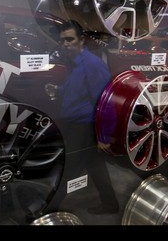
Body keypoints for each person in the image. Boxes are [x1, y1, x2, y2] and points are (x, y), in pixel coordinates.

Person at [45, 20, 119, 215]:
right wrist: (59, 89)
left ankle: (48, 210)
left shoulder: (92, 65)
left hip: (84, 127)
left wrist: (104, 136)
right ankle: (110, 204)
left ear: (81, 40)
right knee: (95, 166)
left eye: (70, 39)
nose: (65, 44)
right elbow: (76, 91)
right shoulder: (75, 63)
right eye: (62, 41)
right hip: (76, 124)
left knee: (69, 168)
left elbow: (107, 101)